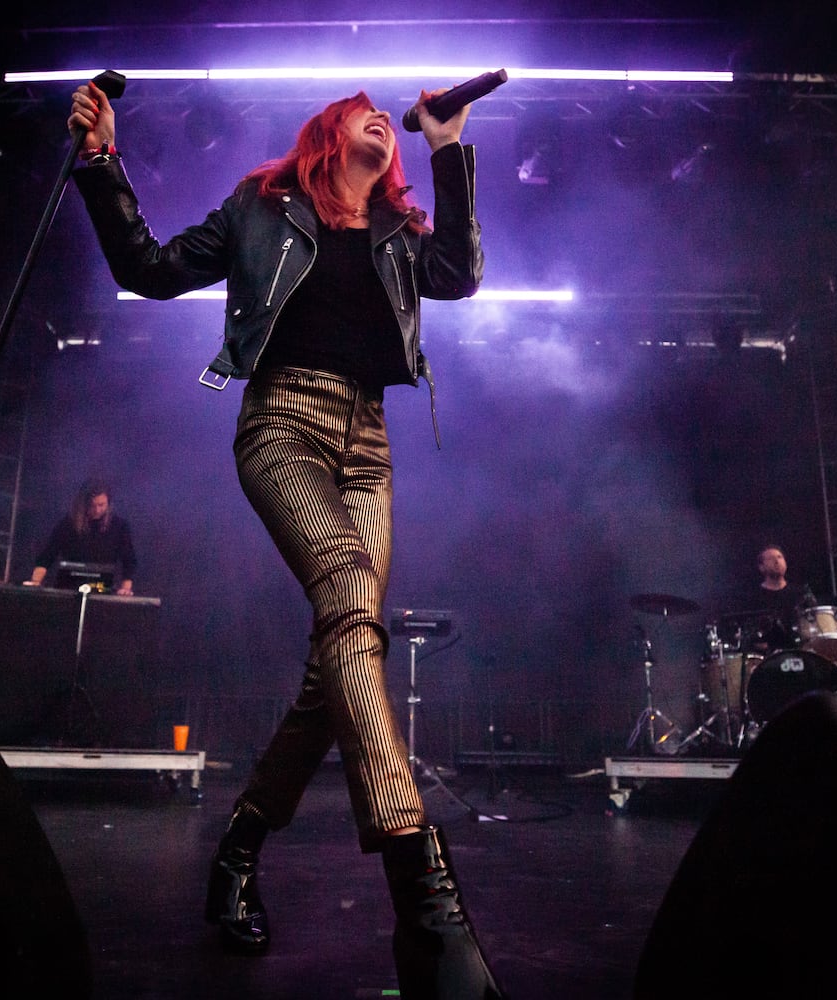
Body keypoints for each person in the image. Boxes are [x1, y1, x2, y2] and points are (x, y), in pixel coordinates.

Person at [67, 79, 502, 998]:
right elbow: (147, 267)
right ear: (328, 133)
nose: (383, 117)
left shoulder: (395, 236)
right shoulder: (261, 209)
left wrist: (448, 147)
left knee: (332, 671)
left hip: (370, 447)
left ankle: (237, 847)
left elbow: (461, 275)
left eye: (392, 115)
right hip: (282, 428)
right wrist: (102, 163)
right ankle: (426, 904)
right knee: (348, 592)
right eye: (365, 110)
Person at [27, 479, 136, 595]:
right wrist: (35, 581)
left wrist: (126, 589)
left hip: (102, 589)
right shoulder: (68, 524)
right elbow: (48, 554)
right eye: (92, 505)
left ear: (109, 503)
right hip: (67, 588)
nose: (97, 510)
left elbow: (129, 559)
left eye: (101, 505)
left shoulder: (119, 526)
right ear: (83, 503)